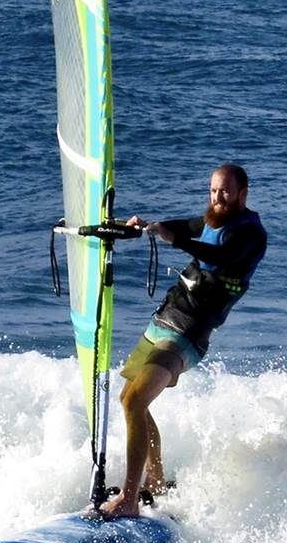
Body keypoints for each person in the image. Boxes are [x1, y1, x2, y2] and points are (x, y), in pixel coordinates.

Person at [95, 163, 267, 520]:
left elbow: (222, 257)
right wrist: (145, 227)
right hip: (163, 320)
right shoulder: (210, 221)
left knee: (136, 401)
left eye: (225, 191)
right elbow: (182, 227)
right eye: (213, 190)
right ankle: (155, 481)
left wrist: (175, 240)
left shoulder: (251, 234)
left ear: (242, 194)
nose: (218, 198)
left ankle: (129, 499)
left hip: (188, 334)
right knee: (129, 399)